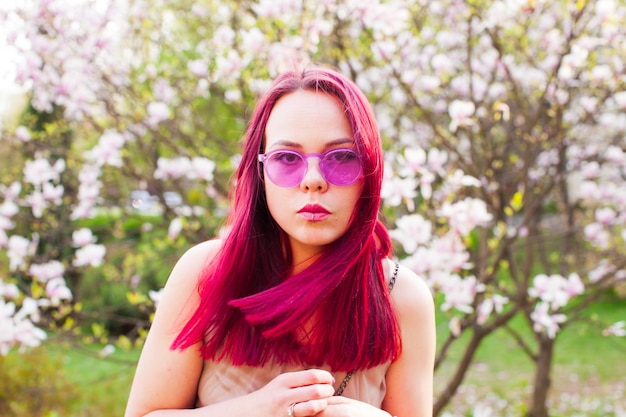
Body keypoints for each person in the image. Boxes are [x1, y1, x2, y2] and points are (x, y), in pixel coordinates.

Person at [124, 65, 436, 417]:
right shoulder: (206, 274)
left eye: (342, 158)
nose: (313, 180)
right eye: (287, 158)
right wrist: (259, 410)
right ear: (260, 173)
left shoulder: (401, 298)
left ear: (369, 172)